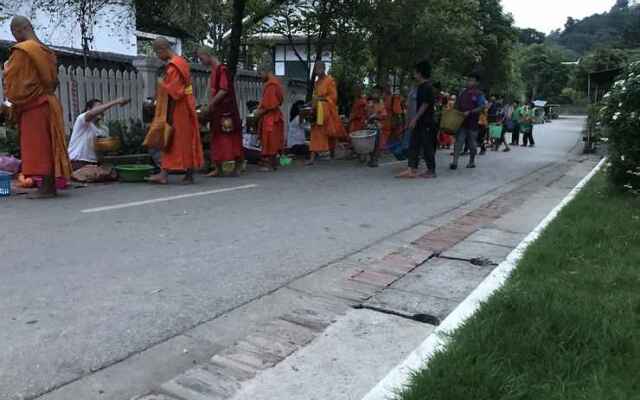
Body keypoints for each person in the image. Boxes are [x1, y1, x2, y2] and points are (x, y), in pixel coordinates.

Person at [3, 16, 72, 198]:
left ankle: (46, 189)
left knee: (39, 146)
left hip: (34, 105)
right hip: (49, 102)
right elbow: (53, 81)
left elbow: (16, 82)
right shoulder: (46, 51)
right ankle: (50, 186)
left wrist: (7, 71)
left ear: (17, 30)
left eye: (13, 33)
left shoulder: (24, 51)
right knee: (49, 144)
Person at [146, 38, 204, 184]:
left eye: (156, 52)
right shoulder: (181, 62)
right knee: (184, 139)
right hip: (186, 105)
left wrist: (161, 86)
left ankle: (165, 174)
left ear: (162, 49)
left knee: (172, 139)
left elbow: (175, 92)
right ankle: (186, 174)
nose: (157, 56)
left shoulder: (174, 66)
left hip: (179, 107)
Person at [197, 48, 243, 177]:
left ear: (208, 55)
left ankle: (238, 166)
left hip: (226, 111)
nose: (201, 61)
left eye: (201, 58)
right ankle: (218, 168)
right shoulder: (214, 71)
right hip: (217, 111)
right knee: (216, 137)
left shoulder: (222, 70)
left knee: (230, 137)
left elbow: (223, 90)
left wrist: (210, 104)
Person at [397, 60, 436, 179]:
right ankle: (411, 169)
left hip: (426, 122)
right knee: (414, 145)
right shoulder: (419, 87)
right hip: (418, 122)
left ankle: (431, 170)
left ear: (420, 73)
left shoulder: (428, 87)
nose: (414, 75)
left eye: (415, 72)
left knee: (427, 146)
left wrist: (415, 119)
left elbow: (425, 105)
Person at [68, 98, 130, 170]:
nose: (101, 110)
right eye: (99, 108)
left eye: (102, 108)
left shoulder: (104, 129)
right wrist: (116, 102)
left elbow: (102, 151)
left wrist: (111, 147)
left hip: (95, 163)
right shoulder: (82, 120)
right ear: (88, 109)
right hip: (77, 162)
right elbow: (91, 114)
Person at [307, 61, 346, 165]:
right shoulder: (317, 82)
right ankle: (312, 158)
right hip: (318, 110)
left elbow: (334, 97)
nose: (316, 71)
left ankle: (333, 153)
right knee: (316, 132)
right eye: (315, 69)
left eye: (318, 68)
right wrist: (312, 103)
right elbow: (315, 96)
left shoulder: (330, 80)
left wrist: (320, 98)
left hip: (327, 110)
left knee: (331, 132)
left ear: (323, 68)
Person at [451, 73, 486, 170]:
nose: (469, 82)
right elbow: (456, 105)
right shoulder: (462, 92)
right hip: (461, 121)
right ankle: (454, 162)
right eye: (469, 80)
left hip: (473, 122)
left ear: (477, 82)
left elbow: (482, 107)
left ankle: (471, 161)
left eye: (472, 80)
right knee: (459, 142)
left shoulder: (479, 94)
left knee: (472, 144)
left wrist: (470, 112)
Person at [255, 57, 285, 172]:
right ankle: (272, 164)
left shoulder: (271, 84)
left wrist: (258, 113)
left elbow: (270, 105)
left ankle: (269, 164)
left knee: (270, 141)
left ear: (265, 71)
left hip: (271, 117)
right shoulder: (274, 83)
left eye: (260, 73)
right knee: (272, 140)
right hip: (273, 116)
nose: (260, 76)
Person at [365, 87, 389, 168]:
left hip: (377, 126)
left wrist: (375, 117)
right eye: (374, 92)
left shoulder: (381, 104)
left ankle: (374, 160)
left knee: (376, 144)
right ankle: (371, 159)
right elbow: (366, 113)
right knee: (369, 144)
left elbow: (384, 115)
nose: (375, 94)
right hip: (369, 126)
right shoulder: (369, 103)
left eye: (377, 93)